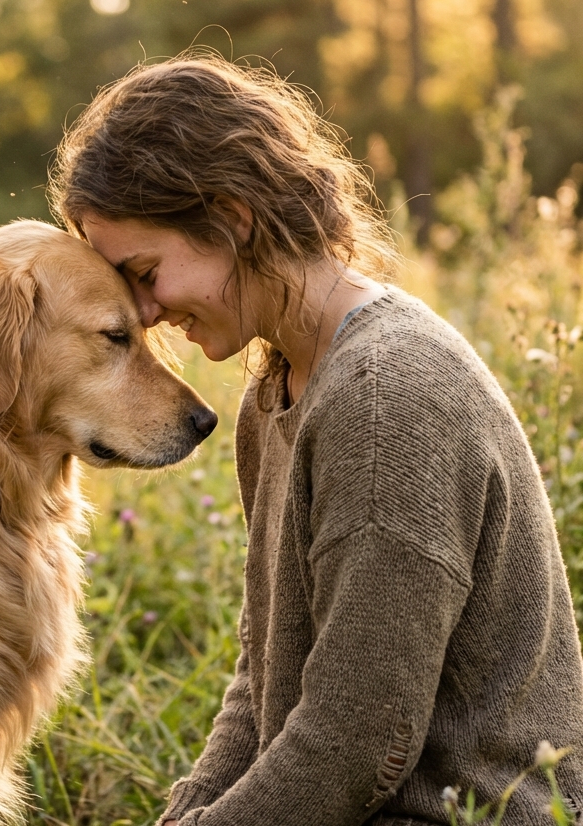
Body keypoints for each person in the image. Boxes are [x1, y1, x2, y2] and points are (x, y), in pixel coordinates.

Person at [48, 54, 583, 826]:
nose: (147, 311)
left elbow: (355, 746)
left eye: (146, 270)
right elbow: (265, 678)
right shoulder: (278, 392)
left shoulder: (385, 400)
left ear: (232, 219)